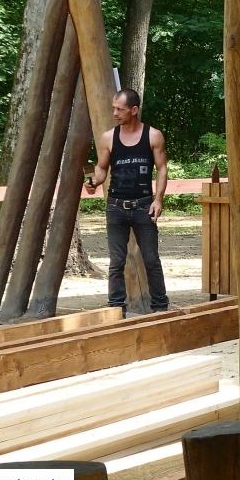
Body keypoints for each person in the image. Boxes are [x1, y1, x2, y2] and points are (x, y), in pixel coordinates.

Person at [84, 89, 169, 315]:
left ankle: (160, 307)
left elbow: (162, 169)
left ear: (134, 110)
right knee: (116, 262)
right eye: (114, 108)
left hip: (143, 205)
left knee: (151, 259)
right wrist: (93, 182)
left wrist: (158, 200)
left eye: (120, 109)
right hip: (116, 206)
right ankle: (115, 309)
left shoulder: (153, 136)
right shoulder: (108, 137)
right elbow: (102, 169)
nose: (115, 113)